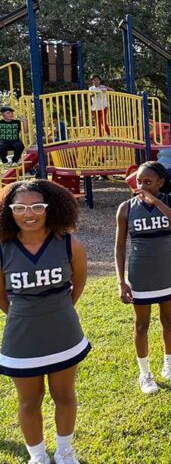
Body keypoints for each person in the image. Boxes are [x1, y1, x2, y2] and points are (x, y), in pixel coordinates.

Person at [0, 180, 89, 464]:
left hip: (63, 332)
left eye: (37, 206)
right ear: (8, 211)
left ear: (50, 208)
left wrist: (57, 309)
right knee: (28, 401)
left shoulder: (70, 244)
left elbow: (77, 285)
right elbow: (2, 297)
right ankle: (37, 457)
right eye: (20, 208)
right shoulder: (3, 249)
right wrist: (25, 315)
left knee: (65, 396)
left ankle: (65, 452)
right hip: (21, 338)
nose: (29, 214)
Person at [115, 161, 171, 395]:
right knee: (141, 325)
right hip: (140, 273)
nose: (142, 186)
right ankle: (145, 374)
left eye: (147, 181)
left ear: (160, 182)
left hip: (168, 271)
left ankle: (170, 367)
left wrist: (156, 202)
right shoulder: (126, 208)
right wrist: (121, 281)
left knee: (169, 321)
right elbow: (119, 246)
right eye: (139, 181)